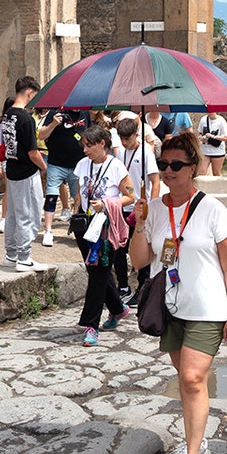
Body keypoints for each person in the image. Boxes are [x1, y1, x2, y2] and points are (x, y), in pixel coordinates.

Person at [129, 130, 227, 454]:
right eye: (163, 164)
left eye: (176, 165)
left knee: (193, 378)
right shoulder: (157, 208)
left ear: (193, 167)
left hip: (207, 307)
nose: (168, 171)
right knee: (186, 380)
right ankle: (199, 440)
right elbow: (141, 261)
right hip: (171, 308)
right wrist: (141, 223)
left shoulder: (212, 210)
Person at [74, 124, 135, 346]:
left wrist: (107, 204)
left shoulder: (117, 167)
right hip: (85, 225)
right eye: (84, 145)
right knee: (96, 269)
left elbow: (130, 196)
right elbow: (78, 192)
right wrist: (75, 212)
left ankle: (91, 325)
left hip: (104, 225)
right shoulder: (82, 165)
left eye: (89, 145)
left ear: (103, 143)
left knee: (98, 274)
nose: (85, 150)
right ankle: (118, 309)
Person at [0, 78, 51, 273]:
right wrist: (44, 166)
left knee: (13, 214)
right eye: (35, 95)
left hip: (12, 170)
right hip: (26, 172)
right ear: (30, 92)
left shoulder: (8, 115)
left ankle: (11, 254)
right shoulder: (26, 119)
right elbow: (32, 151)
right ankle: (24, 257)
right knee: (29, 214)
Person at [113, 117, 161, 303]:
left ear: (136, 135)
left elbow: (155, 181)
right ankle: (123, 285)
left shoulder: (146, 153)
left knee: (142, 247)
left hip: (141, 208)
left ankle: (143, 287)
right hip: (124, 206)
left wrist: (153, 206)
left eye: (128, 138)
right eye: (122, 139)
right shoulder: (121, 153)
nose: (125, 142)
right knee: (119, 248)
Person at [39, 106, 88, 246]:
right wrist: (53, 124)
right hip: (56, 163)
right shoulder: (55, 113)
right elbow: (41, 135)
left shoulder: (84, 113)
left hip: (78, 165)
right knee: (51, 196)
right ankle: (48, 231)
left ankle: (77, 228)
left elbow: (90, 134)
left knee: (78, 198)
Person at [0, 97, 16, 234]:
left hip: (18, 160)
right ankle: (4, 218)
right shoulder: (3, 126)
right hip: (7, 160)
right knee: (9, 190)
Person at [197, 111, 227, 176]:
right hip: (205, 151)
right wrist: (201, 137)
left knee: (216, 173)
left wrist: (213, 136)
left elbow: (226, 137)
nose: (210, 112)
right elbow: (200, 133)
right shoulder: (203, 119)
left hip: (217, 151)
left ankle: (217, 186)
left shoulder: (221, 121)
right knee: (201, 173)